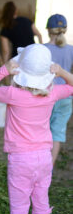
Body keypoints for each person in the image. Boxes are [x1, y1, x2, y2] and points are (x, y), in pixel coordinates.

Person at [0, 44, 73, 214]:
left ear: (21, 71)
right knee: (42, 206)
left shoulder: (12, 94)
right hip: (44, 158)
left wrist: (4, 70)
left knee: (19, 211)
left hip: (21, 160)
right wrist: (61, 72)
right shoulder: (52, 94)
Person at [44, 14, 73, 165]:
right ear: (65, 30)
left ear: (48, 30)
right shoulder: (71, 50)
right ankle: (49, 166)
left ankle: (38, 163)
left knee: (42, 130)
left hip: (45, 95)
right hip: (66, 96)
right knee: (57, 133)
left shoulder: (42, 49)